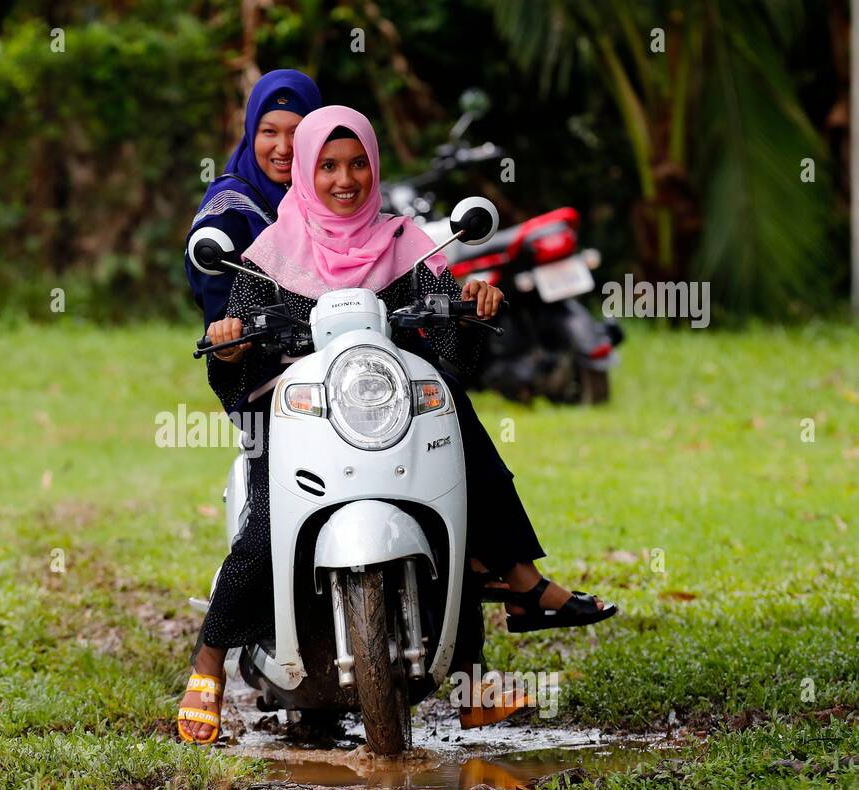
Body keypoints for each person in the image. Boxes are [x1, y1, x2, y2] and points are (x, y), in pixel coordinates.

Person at [177, 106, 616, 745]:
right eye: (328, 165)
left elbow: (450, 354)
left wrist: (468, 312)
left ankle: (471, 684)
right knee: (267, 527)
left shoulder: (410, 243)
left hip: (391, 408)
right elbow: (235, 369)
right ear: (307, 170)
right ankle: (208, 665)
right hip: (304, 415)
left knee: (452, 512)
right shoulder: (268, 254)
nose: (344, 179)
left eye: (357, 164)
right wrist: (232, 345)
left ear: (375, 167)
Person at [186, 69, 321, 414]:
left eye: (297, 133)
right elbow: (223, 320)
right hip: (268, 375)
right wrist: (230, 337)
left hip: (356, 366)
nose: (283, 147)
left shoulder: (335, 193)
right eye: (269, 132)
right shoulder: (230, 204)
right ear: (250, 133)